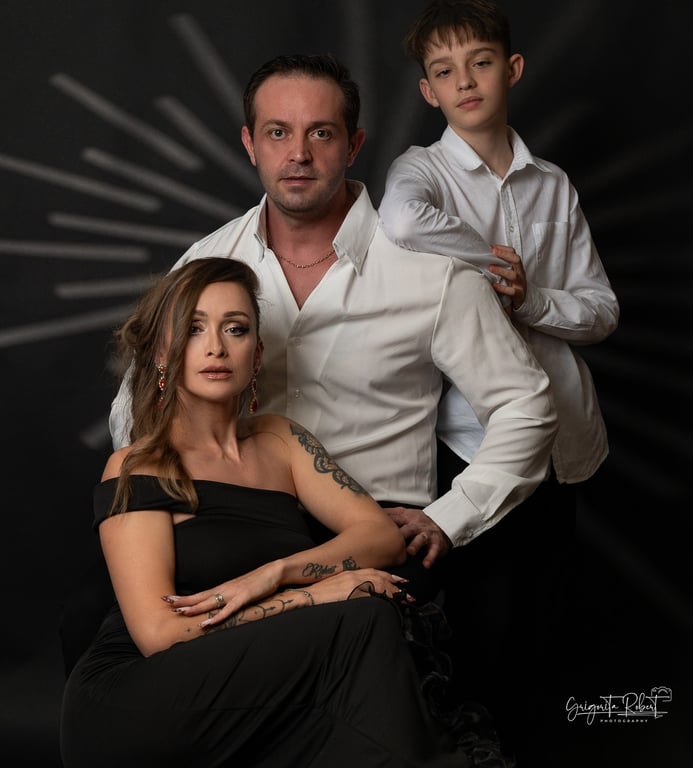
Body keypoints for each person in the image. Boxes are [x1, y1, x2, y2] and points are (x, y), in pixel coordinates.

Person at [108, 52, 557, 584]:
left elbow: (525, 405)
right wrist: (173, 511)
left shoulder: (433, 274)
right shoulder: (208, 262)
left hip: (376, 534)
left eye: (320, 133)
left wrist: (451, 515)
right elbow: (135, 404)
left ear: (353, 146)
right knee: (99, 615)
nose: (298, 153)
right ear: (250, 144)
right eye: (277, 133)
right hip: (232, 527)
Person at [60, 256, 470, 767]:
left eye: (235, 329)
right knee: (360, 621)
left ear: (256, 355)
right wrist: (315, 594)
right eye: (194, 329)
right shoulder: (138, 466)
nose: (216, 347)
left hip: (253, 679)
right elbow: (160, 636)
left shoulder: (281, 440)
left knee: (362, 643)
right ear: (163, 353)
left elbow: (381, 538)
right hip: (140, 695)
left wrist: (274, 574)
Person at [378, 0, 620, 759]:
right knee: (479, 622)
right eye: (444, 71)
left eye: (479, 63)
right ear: (428, 91)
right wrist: (490, 262)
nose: (465, 82)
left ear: (511, 70)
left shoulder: (553, 185)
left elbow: (601, 310)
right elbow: (402, 225)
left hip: (565, 439)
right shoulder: (420, 171)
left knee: (543, 624)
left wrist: (530, 298)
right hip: (470, 439)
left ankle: (535, 746)